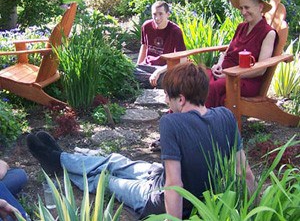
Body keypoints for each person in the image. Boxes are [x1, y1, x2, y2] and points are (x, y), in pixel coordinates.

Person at [26, 62, 255, 220]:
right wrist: (253, 210)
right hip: (160, 176)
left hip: (155, 198)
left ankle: (57, 162)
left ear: (181, 99)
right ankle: (62, 158)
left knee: (106, 180)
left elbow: (175, 185)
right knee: (115, 160)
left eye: (168, 96)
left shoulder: (172, 123)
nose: (166, 100)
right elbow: (245, 173)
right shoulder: (226, 116)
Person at [206, 0, 277, 107]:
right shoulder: (241, 27)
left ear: (260, 7)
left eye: (247, 7)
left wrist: (230, 75)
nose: (243, 12)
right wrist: (219, 64)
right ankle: (183, 117)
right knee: (195, 78)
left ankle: (200, 122)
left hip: (244, 81)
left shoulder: (268, 33)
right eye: (241, 8)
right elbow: (227, 52)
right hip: (224, 73)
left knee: (210, 87)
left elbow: (261, 69)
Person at [134, 0, 186, 89]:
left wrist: (158, 72)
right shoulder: (146, 26)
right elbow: (144, 46)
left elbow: (182, 59)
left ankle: (148, 82)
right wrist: (138, 65)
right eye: (154, 14)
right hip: (148, 66)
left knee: (170, 78)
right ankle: (151, 81)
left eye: (160, 14)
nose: (157, 18)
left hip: (165, 68)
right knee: (130, 73)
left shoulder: (175, 31)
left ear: (168, 14)